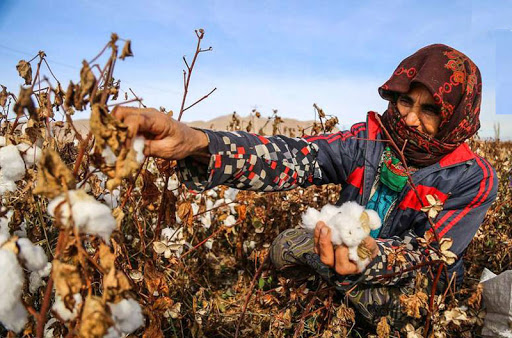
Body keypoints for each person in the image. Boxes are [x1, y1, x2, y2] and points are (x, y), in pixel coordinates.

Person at [112, 44, 498, 328]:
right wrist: (199, 143)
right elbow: (293, 156)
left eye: (430, 109)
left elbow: (428, 253)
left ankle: (342, 297)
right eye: (404, 102)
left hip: (411, 291)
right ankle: (338, 292)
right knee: (285, 245)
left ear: (458, 115)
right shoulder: (368, 141)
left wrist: (370, 257)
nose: (411, 119)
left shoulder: (473, 177)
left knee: (402, 319)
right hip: (341, 256)